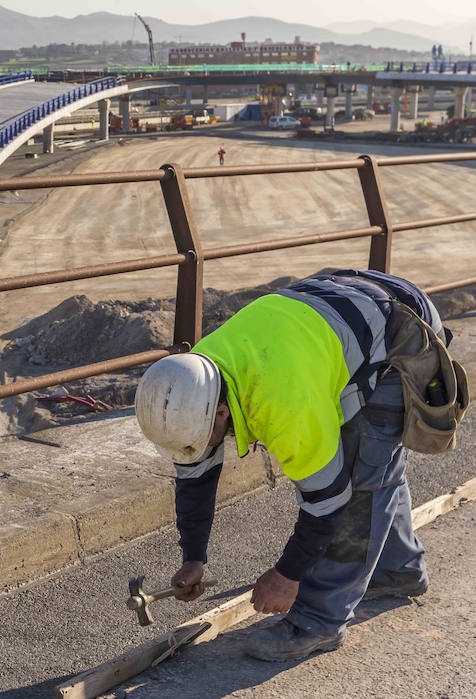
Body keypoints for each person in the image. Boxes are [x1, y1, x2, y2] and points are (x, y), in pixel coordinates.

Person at [134, 270, 446, 661]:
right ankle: (400, 570)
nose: (196, 453)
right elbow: (195, 475)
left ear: (218, 414)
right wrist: (193, 557)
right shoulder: (196, 379)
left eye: (199, 442)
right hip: (337, 307)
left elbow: (327, 504)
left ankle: (319, 621)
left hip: (399, 332)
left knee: (364, 474)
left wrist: (287, 576)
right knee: (377, 470)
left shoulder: (283, 407)